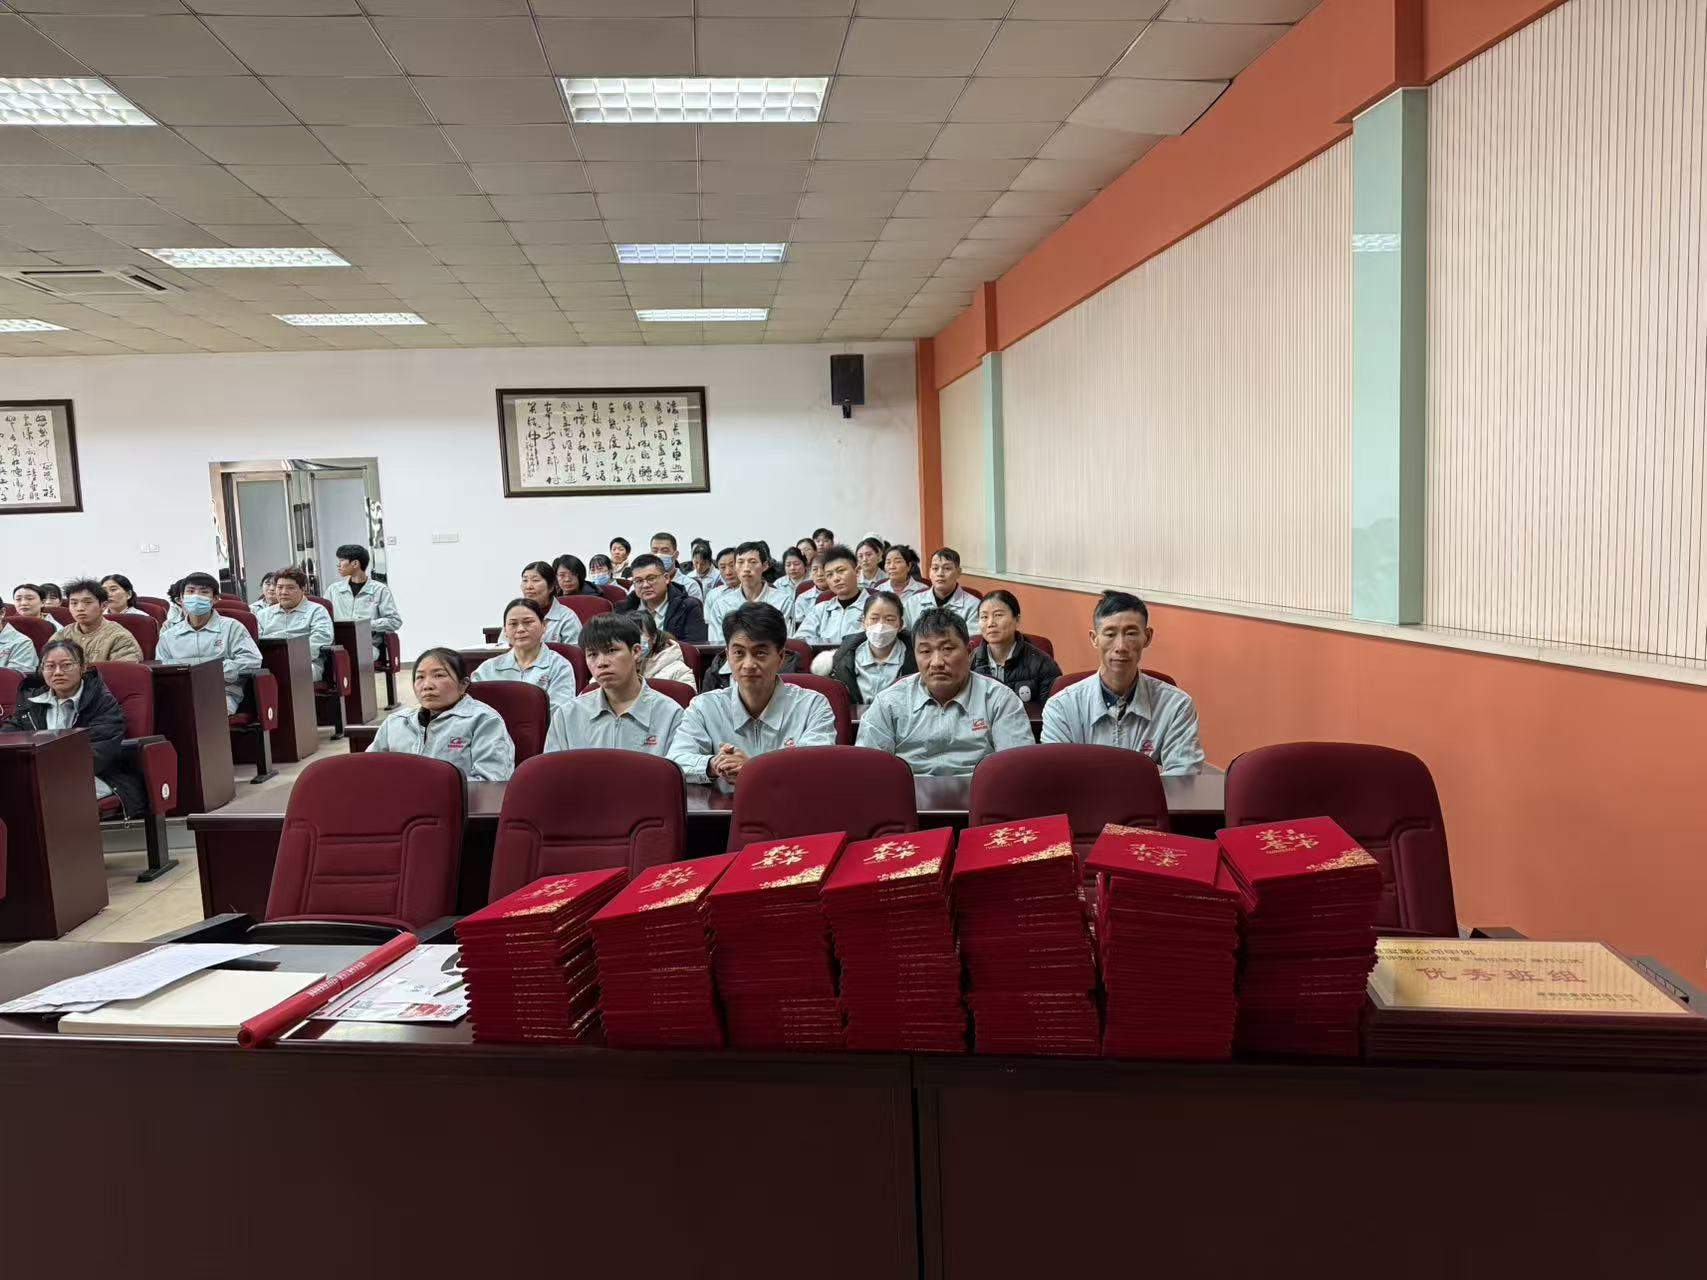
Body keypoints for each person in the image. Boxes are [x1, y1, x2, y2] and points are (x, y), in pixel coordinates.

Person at [667, 602, 835, 787]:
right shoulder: (704, 707)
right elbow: (676, 761)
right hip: (727, 805)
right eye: (739, 653)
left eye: (760, 653)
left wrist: (753, 769)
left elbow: (814, 767)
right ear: (727, 656)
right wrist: (713, 764)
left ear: (781, 657)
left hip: (791, 804)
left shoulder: (813, 706)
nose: (748, 664)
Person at [1040, 590, 1204, 775]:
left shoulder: (1176, 705)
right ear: (1094, 639)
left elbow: (1183, 776)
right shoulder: (1062, 707)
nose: (1120, 647)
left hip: (1147, 795)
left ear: (1147, 637)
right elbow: (1059, 778)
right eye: (1110, 634)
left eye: (1131, 634)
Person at [855, 609, 1033, 777]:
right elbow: (869, 771)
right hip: (908, 795)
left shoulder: (1000, 700)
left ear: (969, 652)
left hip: (980, 795)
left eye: (947, 649)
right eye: (925, 651)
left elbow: (1016, 772)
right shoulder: (889, 702)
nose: (937, 663)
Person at [3, 637, 144, 814]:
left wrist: (47, 771)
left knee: (47, 796)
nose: (57, 672)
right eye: (50, 666)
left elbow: (101, 751)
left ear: (83, 668)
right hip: (39, 776)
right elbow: (8, 736)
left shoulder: (101, 701)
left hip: (93, 776)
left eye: (66, 665)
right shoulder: (31, 701)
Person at [544, 613, 683, 757]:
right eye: (592, 654)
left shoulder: (670, 715)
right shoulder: (567, 715)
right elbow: (554, 770)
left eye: (611, 651)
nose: (601, 663)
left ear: (636, 651)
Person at [369, 647, 514, 781]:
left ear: (463, 684)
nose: (427, 685)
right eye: (420, 677)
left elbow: (491, 782)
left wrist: (429, 788)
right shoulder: (396, 721)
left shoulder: (484, 720)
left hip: (457, 801)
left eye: (438, 675)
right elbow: (369, 770)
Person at [154, 571, 261, 713]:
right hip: (181, 694)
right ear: (181, 598)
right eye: (191, 591)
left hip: (222, 692)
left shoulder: (232, 627)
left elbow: (252, 660)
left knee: (205, 713)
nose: (196, 596)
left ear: (215, 599)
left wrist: (211, 672)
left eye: (204, 592)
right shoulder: (169, 636)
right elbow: (161, 670)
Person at [470, 596, 578, 711]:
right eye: (513, 624)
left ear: (544, 626)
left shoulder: (560, 666)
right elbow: (473, 709)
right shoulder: (488, 669)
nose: (520, 629)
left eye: (528, 622)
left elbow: (560, 712)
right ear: (505, 631)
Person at [971, 589, 1062, 706]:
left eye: (998, 615)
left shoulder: (1043, 663)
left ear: (1017, 620)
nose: (990, 623)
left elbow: (1054, 711)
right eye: (984, 617)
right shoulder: (968, 661)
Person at [829, 591, 916, 705]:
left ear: (900, 624)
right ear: (864, 622)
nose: (881, 626)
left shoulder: (915, 657)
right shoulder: (845, 657)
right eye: (874, 618)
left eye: (889, 619)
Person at [706, 541, 796, 642]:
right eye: (740, 562)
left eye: (752, 562)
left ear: (765, 566)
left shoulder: (783, 601)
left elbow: (785, 642)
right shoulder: (721, 605)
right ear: (735, 566)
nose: (746, 568)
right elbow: (718, 645)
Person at [328, 543, 402, 658]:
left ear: (355, 563)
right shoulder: (333, 590)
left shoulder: (380, 590)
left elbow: (394, 621)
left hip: (368, 646)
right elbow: (324, 618)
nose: (338, 565)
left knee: (356, 655)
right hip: (338, 645)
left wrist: (365, 625)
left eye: (342, 560)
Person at [619, 553, 707, 643]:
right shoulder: (622, 609)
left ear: (666, 578)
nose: (645, 585)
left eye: (651, 578)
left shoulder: (688, 607)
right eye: (639, 581)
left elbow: (694, 646)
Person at [52, 578, 143, 664]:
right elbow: (47, 666)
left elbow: (122, 672)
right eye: (74, 603)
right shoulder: (62, 635)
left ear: (103, 606)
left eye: (87, 602)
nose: (80, 608)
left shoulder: (120, 637)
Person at [794, 544, 869, 646]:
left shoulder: (874, 607)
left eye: (841, 571)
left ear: (857, 571)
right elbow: (799, 642)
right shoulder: (820, 610)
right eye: (829, 574)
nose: (836, 578)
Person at [257, 567, 333, 657]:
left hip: (306, 660)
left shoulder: (317, 611)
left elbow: (321, 638)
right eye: (280, 587)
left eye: (290, 588)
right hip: (270, 660)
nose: (284, 592)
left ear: (303, 589)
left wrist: (294, 656)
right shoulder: (263, 614)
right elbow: (256, 643)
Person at [904, 547, 982, 629]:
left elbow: (973, 637)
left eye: (947, 568)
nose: (940, 574)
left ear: (958, 572)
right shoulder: (912, 603)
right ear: (930, 572)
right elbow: (905, 634)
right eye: (935, 568)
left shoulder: (973, 606)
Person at [519, 560, 582, 645]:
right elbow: (503, 647)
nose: (528, 586)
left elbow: (574, 651)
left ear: (551, 587)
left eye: (535, 580)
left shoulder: (567, 618)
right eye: (525, 580)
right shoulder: (515, 614)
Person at [633, 610, 696, 687]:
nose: (634, 640)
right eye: (629, 636)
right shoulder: (622, 670)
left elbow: (688, 693)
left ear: (654, 637)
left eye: (639, 633)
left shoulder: (677, 670)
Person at [648, 531, 703, 602]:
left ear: (676, 555)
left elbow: (696, 608)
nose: (659, 555)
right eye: (655, 551)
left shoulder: (690, 585)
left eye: (665, 551)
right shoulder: (644, 583)